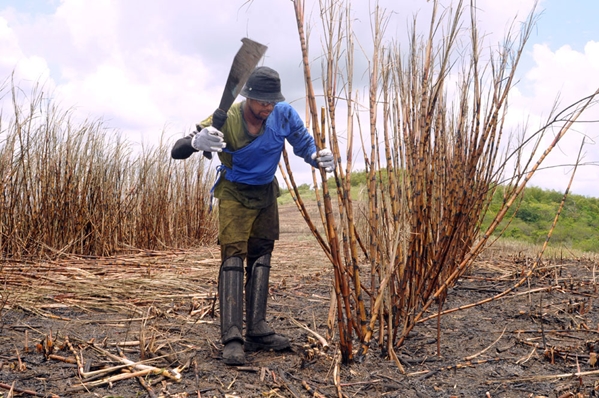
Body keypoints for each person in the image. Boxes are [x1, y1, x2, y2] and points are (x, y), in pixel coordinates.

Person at [171, 66, 334, 366]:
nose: (267, 108)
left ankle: (257, 330)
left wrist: (318, 157)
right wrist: (197, 142)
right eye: (262, 103)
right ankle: (233, 338)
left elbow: (304, 145)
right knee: (233, 259)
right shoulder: (227, 118)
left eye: (272, 102)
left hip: (265, 193)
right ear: (248, 97)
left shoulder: (282, 114)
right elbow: (177, 149)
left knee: (261, 256)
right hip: (234, 193)